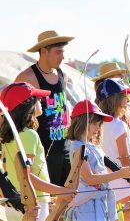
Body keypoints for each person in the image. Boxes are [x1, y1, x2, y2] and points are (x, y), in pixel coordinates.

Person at [0, 82, 75, 221]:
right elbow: (27, 177)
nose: (41, 100)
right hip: (32, 203)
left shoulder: (7, 138)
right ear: (27, 105)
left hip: (14, 203)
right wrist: (62, 191)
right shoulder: (29, 135)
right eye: (36, 98)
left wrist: (47, 195)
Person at [14, 30, 74, 186]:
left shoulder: (63, 75)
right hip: (42, 150)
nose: (62, 57)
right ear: (44, 51)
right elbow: (13, 115)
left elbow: (64, 108)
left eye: (63, 52)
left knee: (68, 199)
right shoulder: (26, 78)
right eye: (58, 52)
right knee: (49, 203)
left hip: (65, 147)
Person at [64, 99, 130, 221]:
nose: (98, 128)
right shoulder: (78, 146)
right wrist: (120, 174)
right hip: (86, 208)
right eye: (94, 124)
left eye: (99, 124)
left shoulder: (92, 146)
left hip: (99, 203)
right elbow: (90, 179)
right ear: (83, 122)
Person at [96, 78, 130, 221]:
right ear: (116, 99)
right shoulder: (118, 125)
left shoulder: (98, 124)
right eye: (124, 97)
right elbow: (125, 159)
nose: (127, 101)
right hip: (128, 184)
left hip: (113, 182)